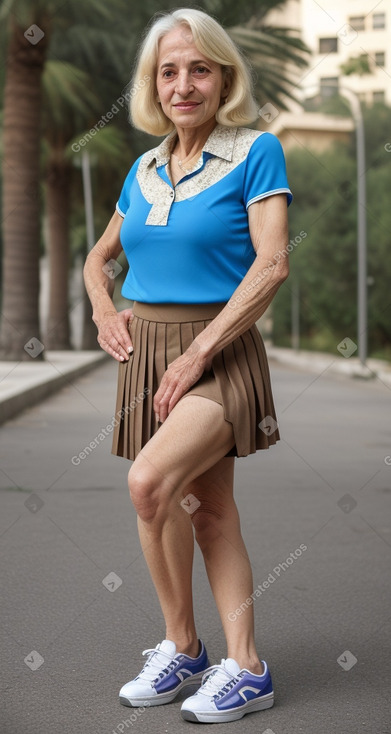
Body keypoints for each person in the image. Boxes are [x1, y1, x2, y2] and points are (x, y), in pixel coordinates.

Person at [83, 7, 292, 724]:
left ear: (222, 76)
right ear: (153, 84)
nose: (183, 84)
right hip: (147, 356)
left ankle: (228, 660)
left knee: (149, 484)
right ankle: (212, 658)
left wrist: (201, 351)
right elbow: (98, 258)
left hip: (220, 349)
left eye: (198, 68)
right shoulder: (141, 168)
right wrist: (103, 307)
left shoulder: (255, 151)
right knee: (207, 509)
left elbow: (270, 264)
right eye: (168, 71)